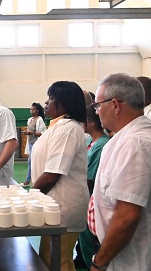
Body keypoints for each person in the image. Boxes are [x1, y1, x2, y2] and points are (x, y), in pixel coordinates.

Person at [89, 73, 151, 271]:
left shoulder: (135, 144)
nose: (97, 112)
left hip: (131, 259)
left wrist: (100, 262)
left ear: (115, 105)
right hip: (120, 252)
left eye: (98, 105)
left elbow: (127, 216)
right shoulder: (125, 139)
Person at [31, 81, 88, 271]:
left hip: (63, 207)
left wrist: (28, 197)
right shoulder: (57, 127)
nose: (46, 103)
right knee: (49, 259)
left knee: (58, 262)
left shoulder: (68, 129)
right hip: (53, 204)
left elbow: (52, 174)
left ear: (66, 102)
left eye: (51, 98)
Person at [76, 104, 109, 268]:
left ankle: (92, 264)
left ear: (90, 121)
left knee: (90, 238)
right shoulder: (89, 140)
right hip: (84, 195)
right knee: (83, 237)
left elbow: (90, 177)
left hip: (91, 195)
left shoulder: (102, 144)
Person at [20, 102, 46, 186]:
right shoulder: (29, 120)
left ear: (37, 111)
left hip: (37, 144)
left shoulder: (40, 120)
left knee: (32, 162)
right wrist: (27, 133)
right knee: (31, 162)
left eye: (33, 109)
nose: (31, 111)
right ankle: (30, 180)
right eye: (30, 109)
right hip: (31, 143)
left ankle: (29, 181)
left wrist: (32, 133)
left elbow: (43, 133)